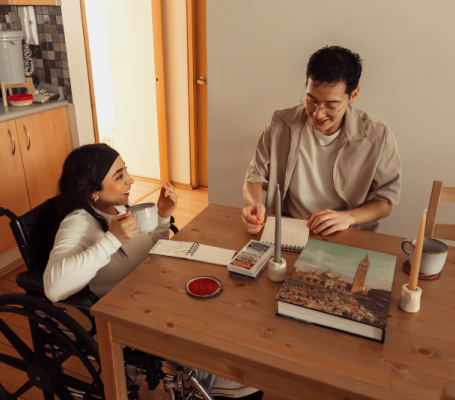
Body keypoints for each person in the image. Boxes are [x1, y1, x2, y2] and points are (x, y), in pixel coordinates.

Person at [44, 143, 263, 400]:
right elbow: (53, 288)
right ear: (92, 190)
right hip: (127, 310)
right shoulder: (77, 223)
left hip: (150, 289)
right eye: (119, 176)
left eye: (126, 171)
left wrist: (162, 217)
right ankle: (201, 380)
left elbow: (147, 251)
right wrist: (111, 241)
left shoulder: (118, 209)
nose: (131, 180)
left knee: (219, 298)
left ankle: (208, 370)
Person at [242, 46, 402, 236]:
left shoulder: (378, 135)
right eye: (311, 100)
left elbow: (385, 202)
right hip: (289, 228)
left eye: (331, 105)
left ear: (353, 95)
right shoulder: (280, 123)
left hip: (348, 233)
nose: (318, 113)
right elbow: (254, 178)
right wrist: (254, 205)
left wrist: (347, 218)